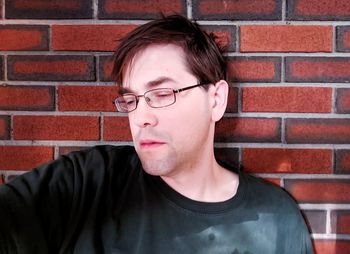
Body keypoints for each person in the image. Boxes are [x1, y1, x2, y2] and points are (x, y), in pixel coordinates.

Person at [0, 15, 313, 253]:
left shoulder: (276, 222)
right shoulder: (86, 183)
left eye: (162, 94)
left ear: (215, 99)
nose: (140, 117)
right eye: (130, 99)